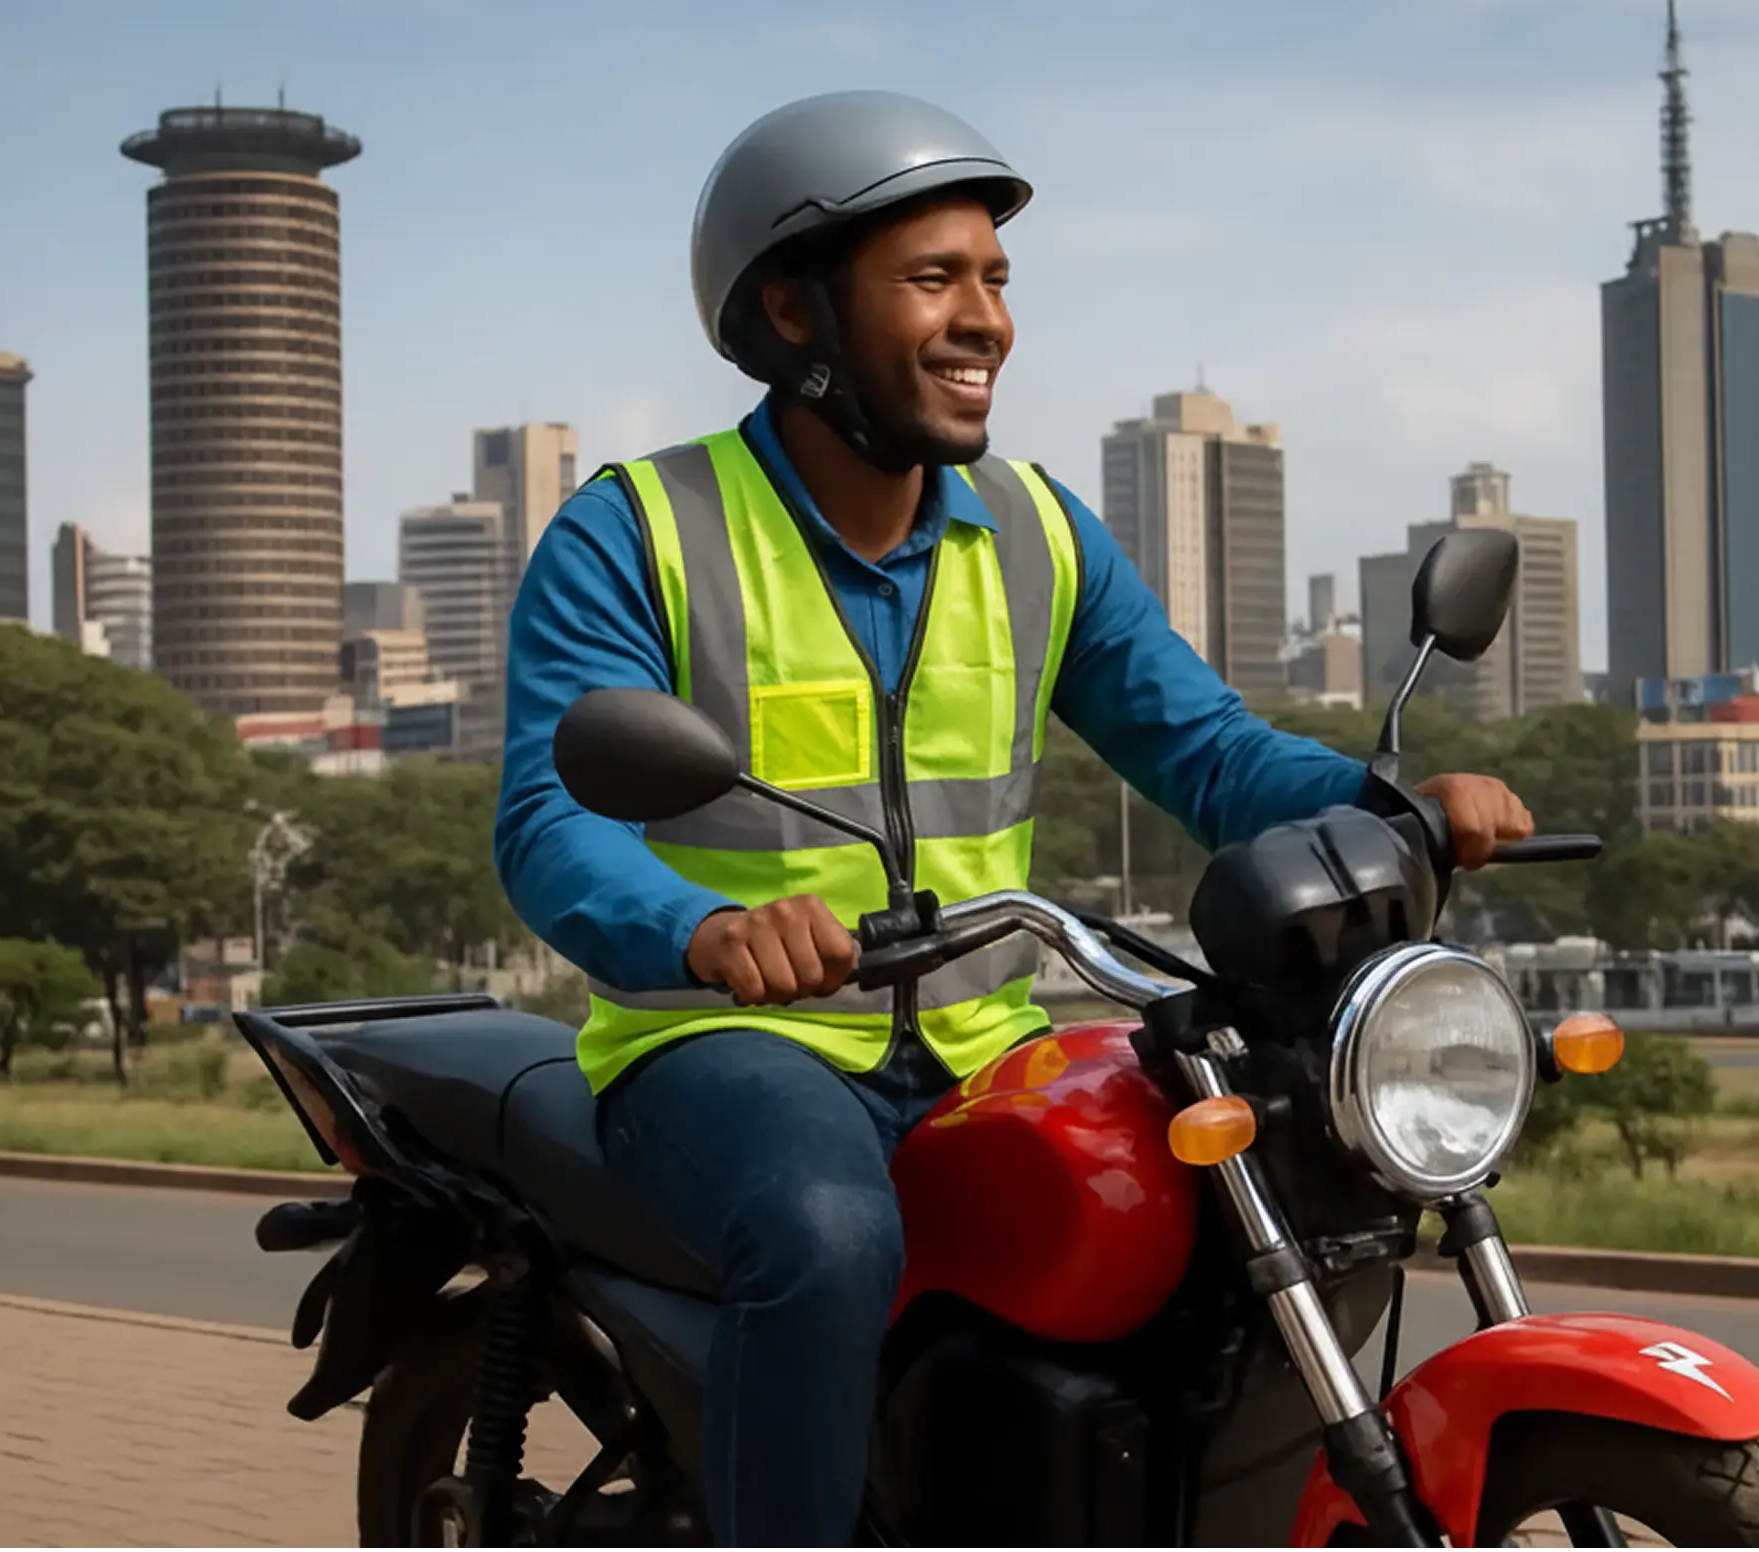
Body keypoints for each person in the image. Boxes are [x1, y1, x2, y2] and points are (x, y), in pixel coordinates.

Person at [493, 89, 1536, 1551]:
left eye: (996, 280)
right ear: (794, 313)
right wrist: (710, 928)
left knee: (1230, 1203)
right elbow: (549, 814)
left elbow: (1207, 751)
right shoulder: (640, 529)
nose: (988, 318)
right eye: (935, 278)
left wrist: (1393, 803)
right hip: (726, 1043)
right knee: (824, 1234)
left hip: (991, 1044)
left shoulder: (1037, 532)